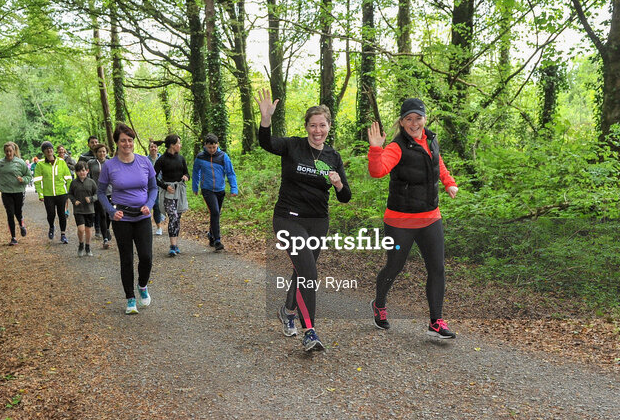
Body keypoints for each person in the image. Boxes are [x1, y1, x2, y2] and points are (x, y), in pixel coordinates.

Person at [258, 89, 351, 352]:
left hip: (318, 222)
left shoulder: (332, 156)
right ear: (306, 127)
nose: (317, 130)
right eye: (313, 125)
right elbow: (266, 143)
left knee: (303, 271)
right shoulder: (292, 146)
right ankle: (310, 331)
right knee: (309, 272)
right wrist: (266, 120)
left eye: (322, 125)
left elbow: (345, 197)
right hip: (288, 218)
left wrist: (339, 183)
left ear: (329, 127)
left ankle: (288, 311)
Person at [366, 98, 459, 340]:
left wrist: (449, 183)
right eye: (409, 119)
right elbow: (378, 171)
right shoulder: (397, 147)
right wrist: (376, 148)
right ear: (402, 122)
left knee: (437, 268)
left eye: (418, 118)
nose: (414, 123)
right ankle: (379, 304)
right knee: (395, 266)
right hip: (400, 221)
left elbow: (437, 164)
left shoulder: (431, 140)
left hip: (430, 217)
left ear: (425, 119)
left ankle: (436, 321)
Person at [97, 123, 158, 314]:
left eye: (130, 140)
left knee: (146, 257)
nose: (127, 144)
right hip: (121, 218)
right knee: (126, 259)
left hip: (142, 216)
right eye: (123, 140)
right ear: (116, 142)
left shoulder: (144, 162)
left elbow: (154, 188)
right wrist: (110, 211)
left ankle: (142, 286)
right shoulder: (109, 165)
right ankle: (130, 299)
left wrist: (149, 205)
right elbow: (100, 192)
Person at [192, 134, 238, 252]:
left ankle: (211, 235)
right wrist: (195, 187)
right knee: (215, 212)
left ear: (217, 145)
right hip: (207, 189)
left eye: (214, 147)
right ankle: (217, 240)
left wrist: (234, 188)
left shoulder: (223, 156)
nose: (212, 150)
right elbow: (195, 172)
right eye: (209, 147)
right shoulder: (200, 157)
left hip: (220, 190)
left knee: (215, 214)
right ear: (205, 146)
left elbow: (230, 173)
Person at [154, 134, 190, 257]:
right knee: (173, 216)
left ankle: (175, 244)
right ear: (172, 145)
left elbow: (187, 173)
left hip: (179, 191)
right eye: (178, 143)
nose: (180, 145)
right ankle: (172, 246)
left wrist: (186, 177)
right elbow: (152, 178)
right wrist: (165, 186)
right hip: (168, 192)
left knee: (177, 218)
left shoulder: (181, 158)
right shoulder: (162, 160)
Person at [0, 142, 32, 245]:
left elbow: (28, 175)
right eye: (7, 151)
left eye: (10, 151)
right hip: (6, 192)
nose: (9, 153)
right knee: (10, 213)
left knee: (18, 212)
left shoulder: (20, 162)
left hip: (18, 191)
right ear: (4, 152)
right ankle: (13, 238)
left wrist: (23, 179)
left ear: (14, 151)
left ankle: (21, 225)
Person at [33, 141, 73, 244]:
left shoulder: (61, 162)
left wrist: (68, 191)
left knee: (62, 214)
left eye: (50, 148)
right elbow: (37, 181)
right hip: (48, 194)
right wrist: (40, 194)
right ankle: (51, 226)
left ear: (53, 150)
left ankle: (63, 234)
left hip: (61, 193)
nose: (49, 150)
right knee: (51, 214)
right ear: (44, 152)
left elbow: (68, 178)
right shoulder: (40, 164)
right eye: (46, 149)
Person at [69, 160, 98, 257]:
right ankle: (81, 244)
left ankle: (88, 246)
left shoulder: (91, 182)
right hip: (78, 210)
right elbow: (70, 194)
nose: (82, 172)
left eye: (84, 170)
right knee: (81, 229)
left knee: (88, 230)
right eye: (79, 171)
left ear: (87, 171)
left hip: (89, 210)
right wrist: (74, 201)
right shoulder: (73, 183)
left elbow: (97, 194)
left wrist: (91, 199)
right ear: (76, 172)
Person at [88, 143, 112, 249]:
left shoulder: (111, 163)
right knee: (102, 214)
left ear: (106, 153)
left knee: (109, 214)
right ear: (96, 153)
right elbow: (88, 177)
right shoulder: (90, 163)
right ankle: (105, 238)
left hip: (110, 191)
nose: (102, 153)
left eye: (104, 151)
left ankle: (106, 229)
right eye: (99, 151)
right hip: (98, 193)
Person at [148, 140, 167, 235]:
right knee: (156, 206)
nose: (153, 148)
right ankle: (159, 227)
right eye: (151, 147)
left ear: (157, 148)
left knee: (163, 205)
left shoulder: (163, 159)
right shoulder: (146, 160)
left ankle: (162, 214)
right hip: (151, 187)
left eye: (155, 147)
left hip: (163, 186)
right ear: (149, 149)